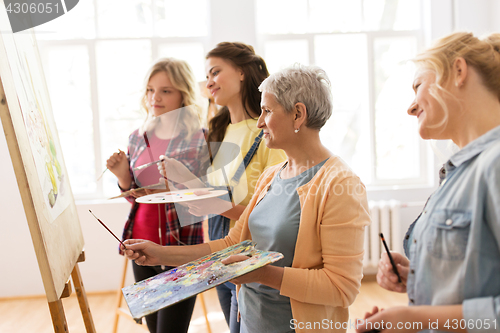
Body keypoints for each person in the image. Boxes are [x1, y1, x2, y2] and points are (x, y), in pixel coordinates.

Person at [124, 64, 371, 333]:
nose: (260, 122)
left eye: (267, 111)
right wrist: (159, 254)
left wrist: (262, 273)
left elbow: (341, 288)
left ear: (298, 114)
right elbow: (232, 244)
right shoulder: (271, 175)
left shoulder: (341, 184)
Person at [356, 32, 500, 333]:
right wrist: (423, 277)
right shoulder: (460, 172)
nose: (410, 107)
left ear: (458, 71)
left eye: (418, 85)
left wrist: (417, 318)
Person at [161, 42, 287, 333]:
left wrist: (212, 205)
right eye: (207, 76)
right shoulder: (220, 130)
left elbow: (276, 214)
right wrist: (184, 180)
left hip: (252, 259)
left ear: (242, 72)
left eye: (215, 72)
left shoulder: (267, 132)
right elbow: (219, 198)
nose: (209, 82)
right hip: (221, 257)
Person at [105, 58, 207, 333]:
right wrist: (122, 176)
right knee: (154, 329)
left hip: (180, 245)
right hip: (141, 242)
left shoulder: (199, 137)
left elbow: (203, 198)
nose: (155, 97)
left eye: (165, 90)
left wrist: (177, 182)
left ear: (183, 94)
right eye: (150, 90)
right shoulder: (137, 137)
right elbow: (135, 198)